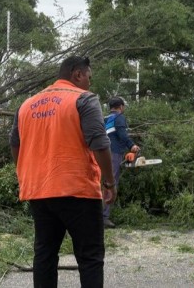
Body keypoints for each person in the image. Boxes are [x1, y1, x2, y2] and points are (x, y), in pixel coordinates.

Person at [10, 56, 117, 288]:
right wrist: (109, 182)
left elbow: (15, 144)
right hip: (77, 190)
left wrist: (26, 174)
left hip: (39, 192)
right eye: (89, 76)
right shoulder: (83, 99)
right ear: (77, 74)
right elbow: (99, 143)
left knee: (45, 254)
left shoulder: (27, 104)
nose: (90, 81)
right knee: (90, 257)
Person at [102, 96, 140, 229]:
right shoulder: (119, 118)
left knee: (100, 184)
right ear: (121, 107)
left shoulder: (105, 119)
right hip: (114, 153)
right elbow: (122, 135)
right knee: (110, 183)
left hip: (101, 153)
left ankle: (96, 215)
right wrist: (132, 146)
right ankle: (104, 217)